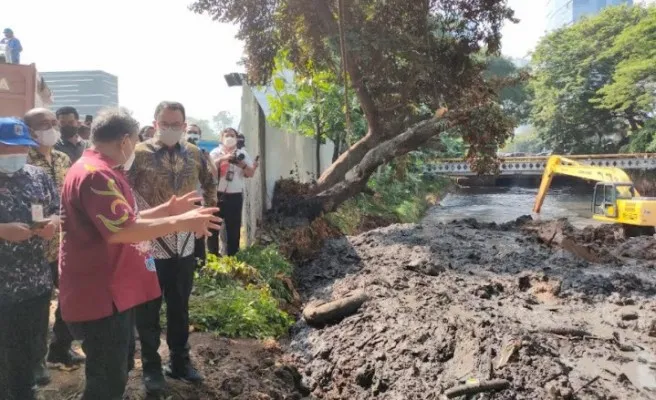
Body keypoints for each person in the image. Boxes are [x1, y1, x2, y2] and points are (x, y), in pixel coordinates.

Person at [58, 108, 220, 400]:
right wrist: (180, 222)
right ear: (124, 141)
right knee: (106, 382)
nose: (134, 147)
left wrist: (167, 210)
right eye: (133, 141)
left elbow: (127, 217)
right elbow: (121, 231)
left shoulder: (99, 169)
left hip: (107, 288)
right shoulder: (97, 176)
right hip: (100, 293)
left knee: (112, 372)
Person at [128, 101, 217, 393]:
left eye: (176, 124)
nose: (171, 129)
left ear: (183, 124)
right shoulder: (137, 154)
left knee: (180, 304)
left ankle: (179, 361)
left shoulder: (193, 153)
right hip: (150, 244)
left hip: (185, 243)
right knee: (148, 307)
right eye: (165, 124)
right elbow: (123, 192)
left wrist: (208, 214)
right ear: (155, 124)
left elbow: (209, 181)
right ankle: (151, 367)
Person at [24, 109, 84, 385]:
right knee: (36, 308)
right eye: (42, 124)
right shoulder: (21, 159)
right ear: (29, 129)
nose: (50, 127)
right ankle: (34, 362)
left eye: (52, 123)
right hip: (34, 246)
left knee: (70, 299)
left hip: (65, 242)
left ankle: (60, 348)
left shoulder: (63, 158)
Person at [0, 117, 59, 400]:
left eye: (22, 149)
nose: (17, 155)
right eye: (10, 148)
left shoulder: (38, 176)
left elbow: (56, 210)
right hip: (2, 286)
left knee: (30, 345)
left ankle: (25, 390)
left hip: (35, 281)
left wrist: (51, 224)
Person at [208, 128, 258, 256]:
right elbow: (208, 168)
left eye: (232, 135)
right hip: (216, 196)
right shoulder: (215, 152)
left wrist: (241, 164)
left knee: (234, 229)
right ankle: (213, 257)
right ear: (221, 138)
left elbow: (250, 173)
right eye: (227, 135)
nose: (230, 138)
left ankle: (233, 257)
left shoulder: (242, 153)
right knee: (213, 228)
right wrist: (223, 158)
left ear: (236, 138)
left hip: (235, 196)